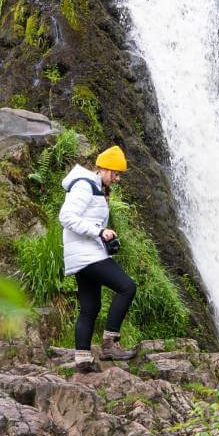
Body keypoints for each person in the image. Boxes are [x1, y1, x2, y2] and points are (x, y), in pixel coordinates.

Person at [59, 145, 137, 369]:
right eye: (115, 173)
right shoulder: (85, 185)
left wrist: (101, 232)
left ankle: (82, 358)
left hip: (82, 256)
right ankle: (110, 343)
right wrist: (99, 231)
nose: (117, 178)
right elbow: (66, 216)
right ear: (103, 168)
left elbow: (86, 219)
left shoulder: (95, 187)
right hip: (87, 255)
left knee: (90, 307)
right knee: (127, 287)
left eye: (119, 174)